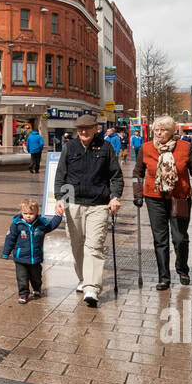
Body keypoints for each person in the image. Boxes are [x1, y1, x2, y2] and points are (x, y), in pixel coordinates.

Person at [52, 114, 123, 308]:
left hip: (98, 204)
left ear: (95, 128)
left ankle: (92, 288)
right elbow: (61, 176)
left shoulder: (106, 148)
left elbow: (116, 176)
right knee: (77, 245)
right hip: (73, 203)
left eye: (87, 128)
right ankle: (83, 277)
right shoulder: (69, 147)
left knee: (94, 245)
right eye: (80, 129)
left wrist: (115, 196)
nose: (83, 132)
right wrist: (59, 198)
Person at [132, 115, 192, 290]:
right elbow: (138, 174)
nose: (159, 133)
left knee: (180, 238)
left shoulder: (185, 148)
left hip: (179, 197)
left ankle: (182, 269)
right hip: (154, 198)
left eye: (163, 130)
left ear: (172, 131)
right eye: (156, 130)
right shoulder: (146, 148)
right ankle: (164, 277)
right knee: (160, 239)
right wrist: (138, 194)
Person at [2, 198, 63, 303]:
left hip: (35, 257)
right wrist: (6, 252)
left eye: (31, 213)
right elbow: (10, 239)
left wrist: (58, 216)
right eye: (25, 213)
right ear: (21, 213)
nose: (28, 216)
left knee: (36, 277)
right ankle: (23, 294)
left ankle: (37, 289)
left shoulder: (41, 224)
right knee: (22, 278)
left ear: (36, 213)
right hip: (20, 258)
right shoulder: (17, 225)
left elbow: (51, 225)